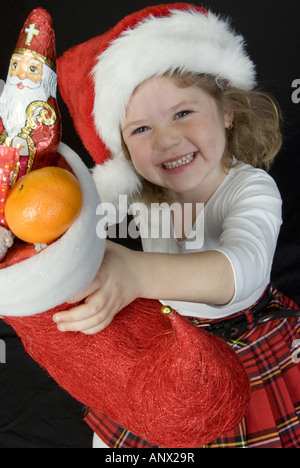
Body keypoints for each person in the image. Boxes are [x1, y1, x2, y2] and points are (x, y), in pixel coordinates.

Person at [55, 3, 300, 448]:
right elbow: (63, 213)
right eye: (141, 129)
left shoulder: (251, 187)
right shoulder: (148, 191)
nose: (166, 140)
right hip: (166, 339)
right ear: (125, 151)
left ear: (228, 109)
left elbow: (240, 268)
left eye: (183, 113)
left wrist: (134, 274)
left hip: (240, 341)